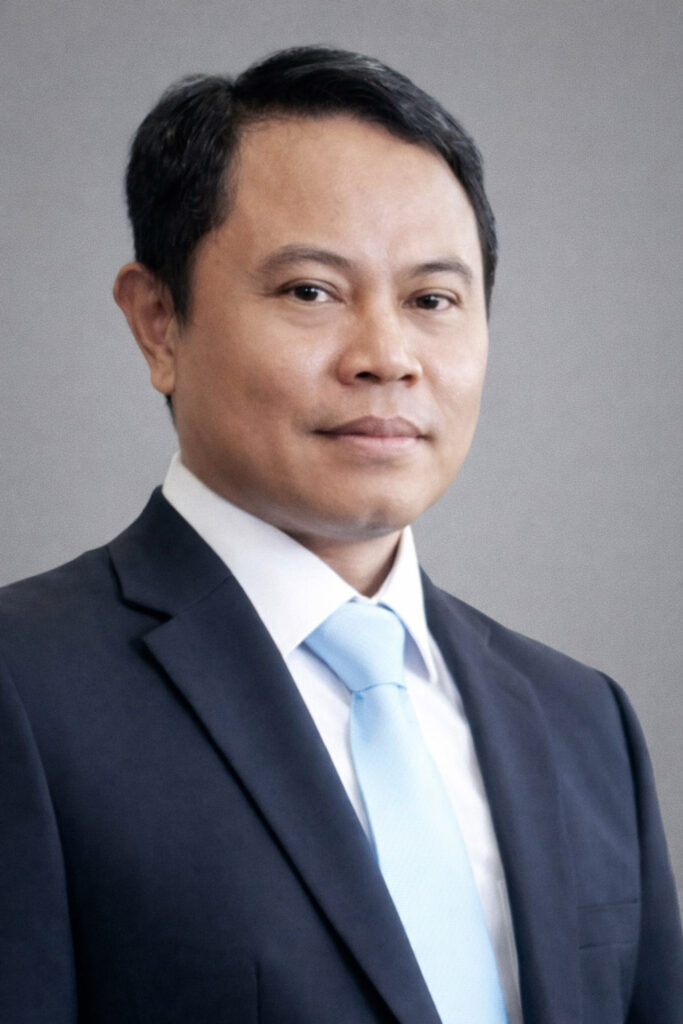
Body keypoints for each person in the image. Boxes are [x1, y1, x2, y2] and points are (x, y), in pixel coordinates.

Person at [0, 45, 680, 1024]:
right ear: (157, 323)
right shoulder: (26, 692)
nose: (386, 357)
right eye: (310, 291)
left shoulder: (583, 722)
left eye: (432, 300)